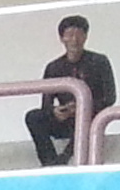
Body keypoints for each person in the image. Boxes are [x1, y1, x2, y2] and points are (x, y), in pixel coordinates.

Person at [25, 15, 115, 167]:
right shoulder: (53, 67)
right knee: (33, 117)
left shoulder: (99, 62)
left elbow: (110, 97)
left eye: (79, 34)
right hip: (65, 120)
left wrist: (82, 108)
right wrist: (55, 112)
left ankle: (65, 157)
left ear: (85, 37)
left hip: (90, 117)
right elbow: (46, 104)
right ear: (62, 38)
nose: (74, 40)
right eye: (70, 35)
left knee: (88, 117)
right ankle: (49, 161)